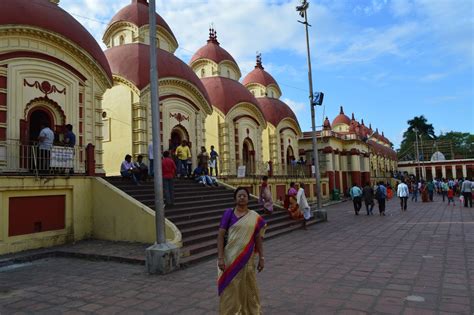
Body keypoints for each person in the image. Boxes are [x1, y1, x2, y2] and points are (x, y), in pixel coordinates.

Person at [217, 187, 266, 314]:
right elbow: (221, 235)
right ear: (235, 199)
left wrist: (261, 257)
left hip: (247, 259)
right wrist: (220, 258)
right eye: (239, 195)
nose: (242, 197)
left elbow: (258, 238)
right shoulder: (228, 213)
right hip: (230, 258)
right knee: (230, 289)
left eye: (244, 195)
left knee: (249, 288)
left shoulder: (254, 216)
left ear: (248, 199)